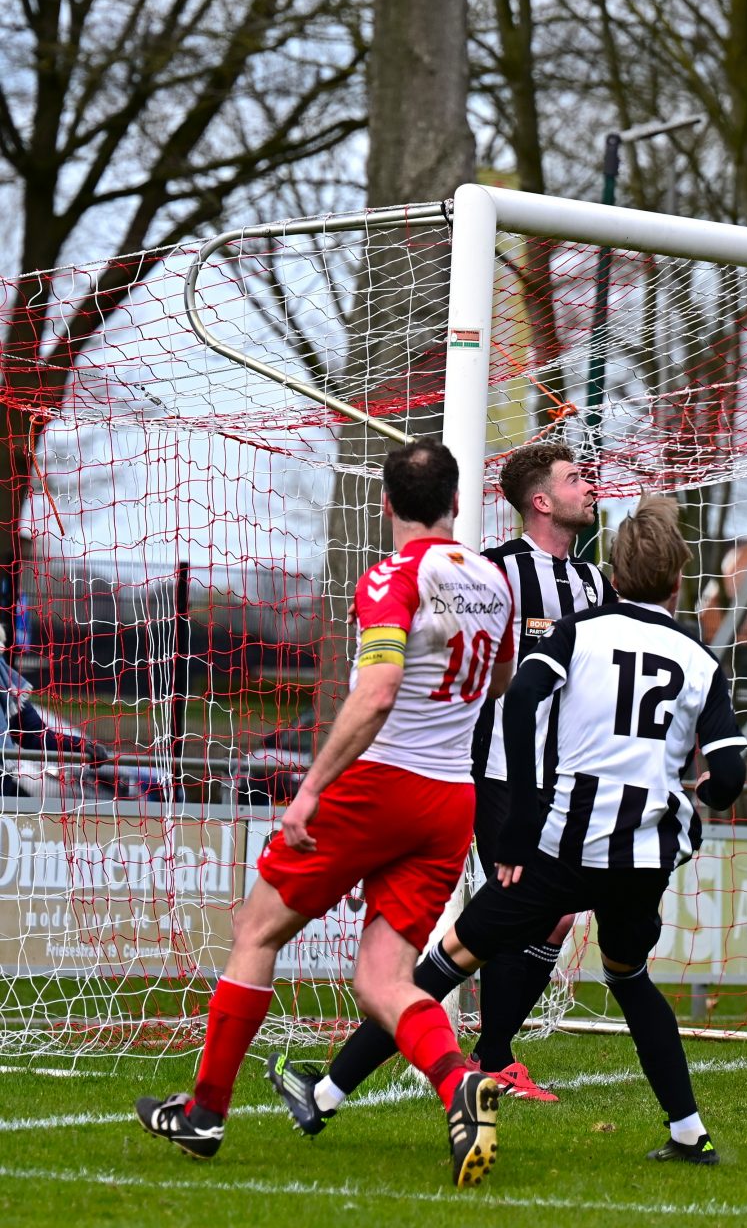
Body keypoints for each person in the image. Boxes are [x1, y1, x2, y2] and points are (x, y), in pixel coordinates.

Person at [270, 496, 747, 1166]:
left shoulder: (580, 631)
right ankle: (689, 1131)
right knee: (629, 976)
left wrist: (523, 817)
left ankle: (324, 1093)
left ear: (613, 575)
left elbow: (520, 697)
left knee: (447, 960)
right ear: (677, 581)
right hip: (641, 856)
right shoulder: (699, 658)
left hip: (562, 845)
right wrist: (705, 790)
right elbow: (728, 775)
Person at [137, 439, 515, 1186]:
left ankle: (206, 1111)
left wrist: (310, 788)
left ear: (386, 504)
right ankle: (457, 1080)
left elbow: (377, 692)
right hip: (451, 799)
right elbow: (499, 678)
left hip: (381, 783)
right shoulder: (495, 581)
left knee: (257, 928)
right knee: (382, 980)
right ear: (455, 501)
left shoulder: (392, 576)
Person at [277, 442, 611, 1114]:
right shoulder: (497, 571)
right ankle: (481, 1062)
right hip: (498, 775)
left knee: (550, 917)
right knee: (501, 921)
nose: (591, 486)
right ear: (541, 500)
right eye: (576, 478)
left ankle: (459, 1060)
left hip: (565, 777)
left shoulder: (595, 583)